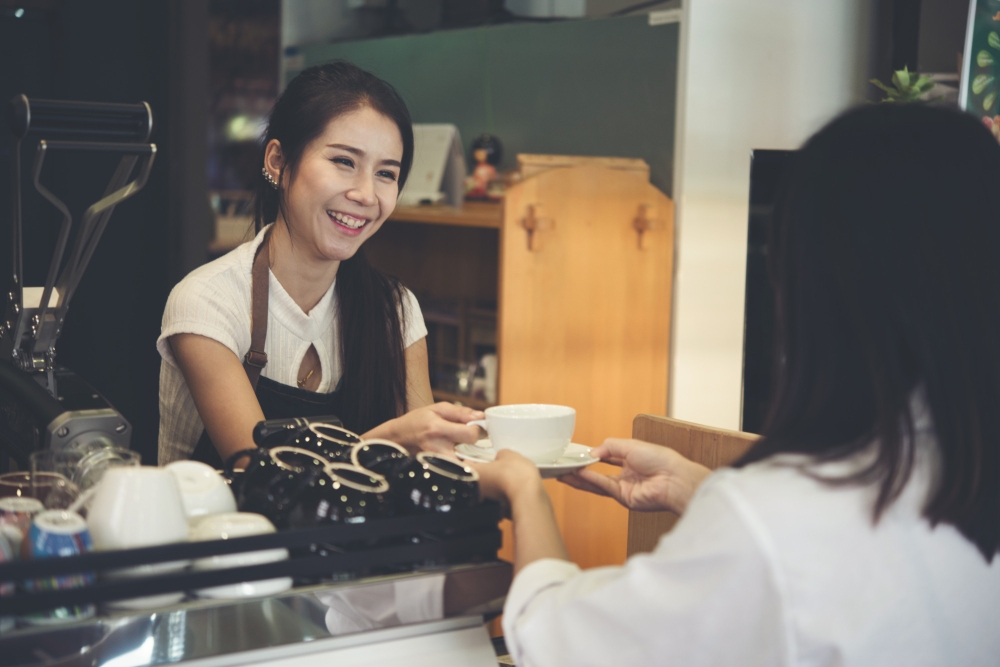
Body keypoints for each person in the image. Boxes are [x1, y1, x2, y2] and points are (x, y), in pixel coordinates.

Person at [471, 103, 1000, 666]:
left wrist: (525, 490)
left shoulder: (777, 519)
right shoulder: (963, 467)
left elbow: (558, 640)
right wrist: (695, 486)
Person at [157, 62, 482, 467]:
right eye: (344, 161)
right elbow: (257, 470)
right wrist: (388, 439)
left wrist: (517, 476)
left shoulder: (393, 309)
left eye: (385, 173)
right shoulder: (209, 301)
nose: (366, 194)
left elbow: (431, 464)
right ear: (277, 161)